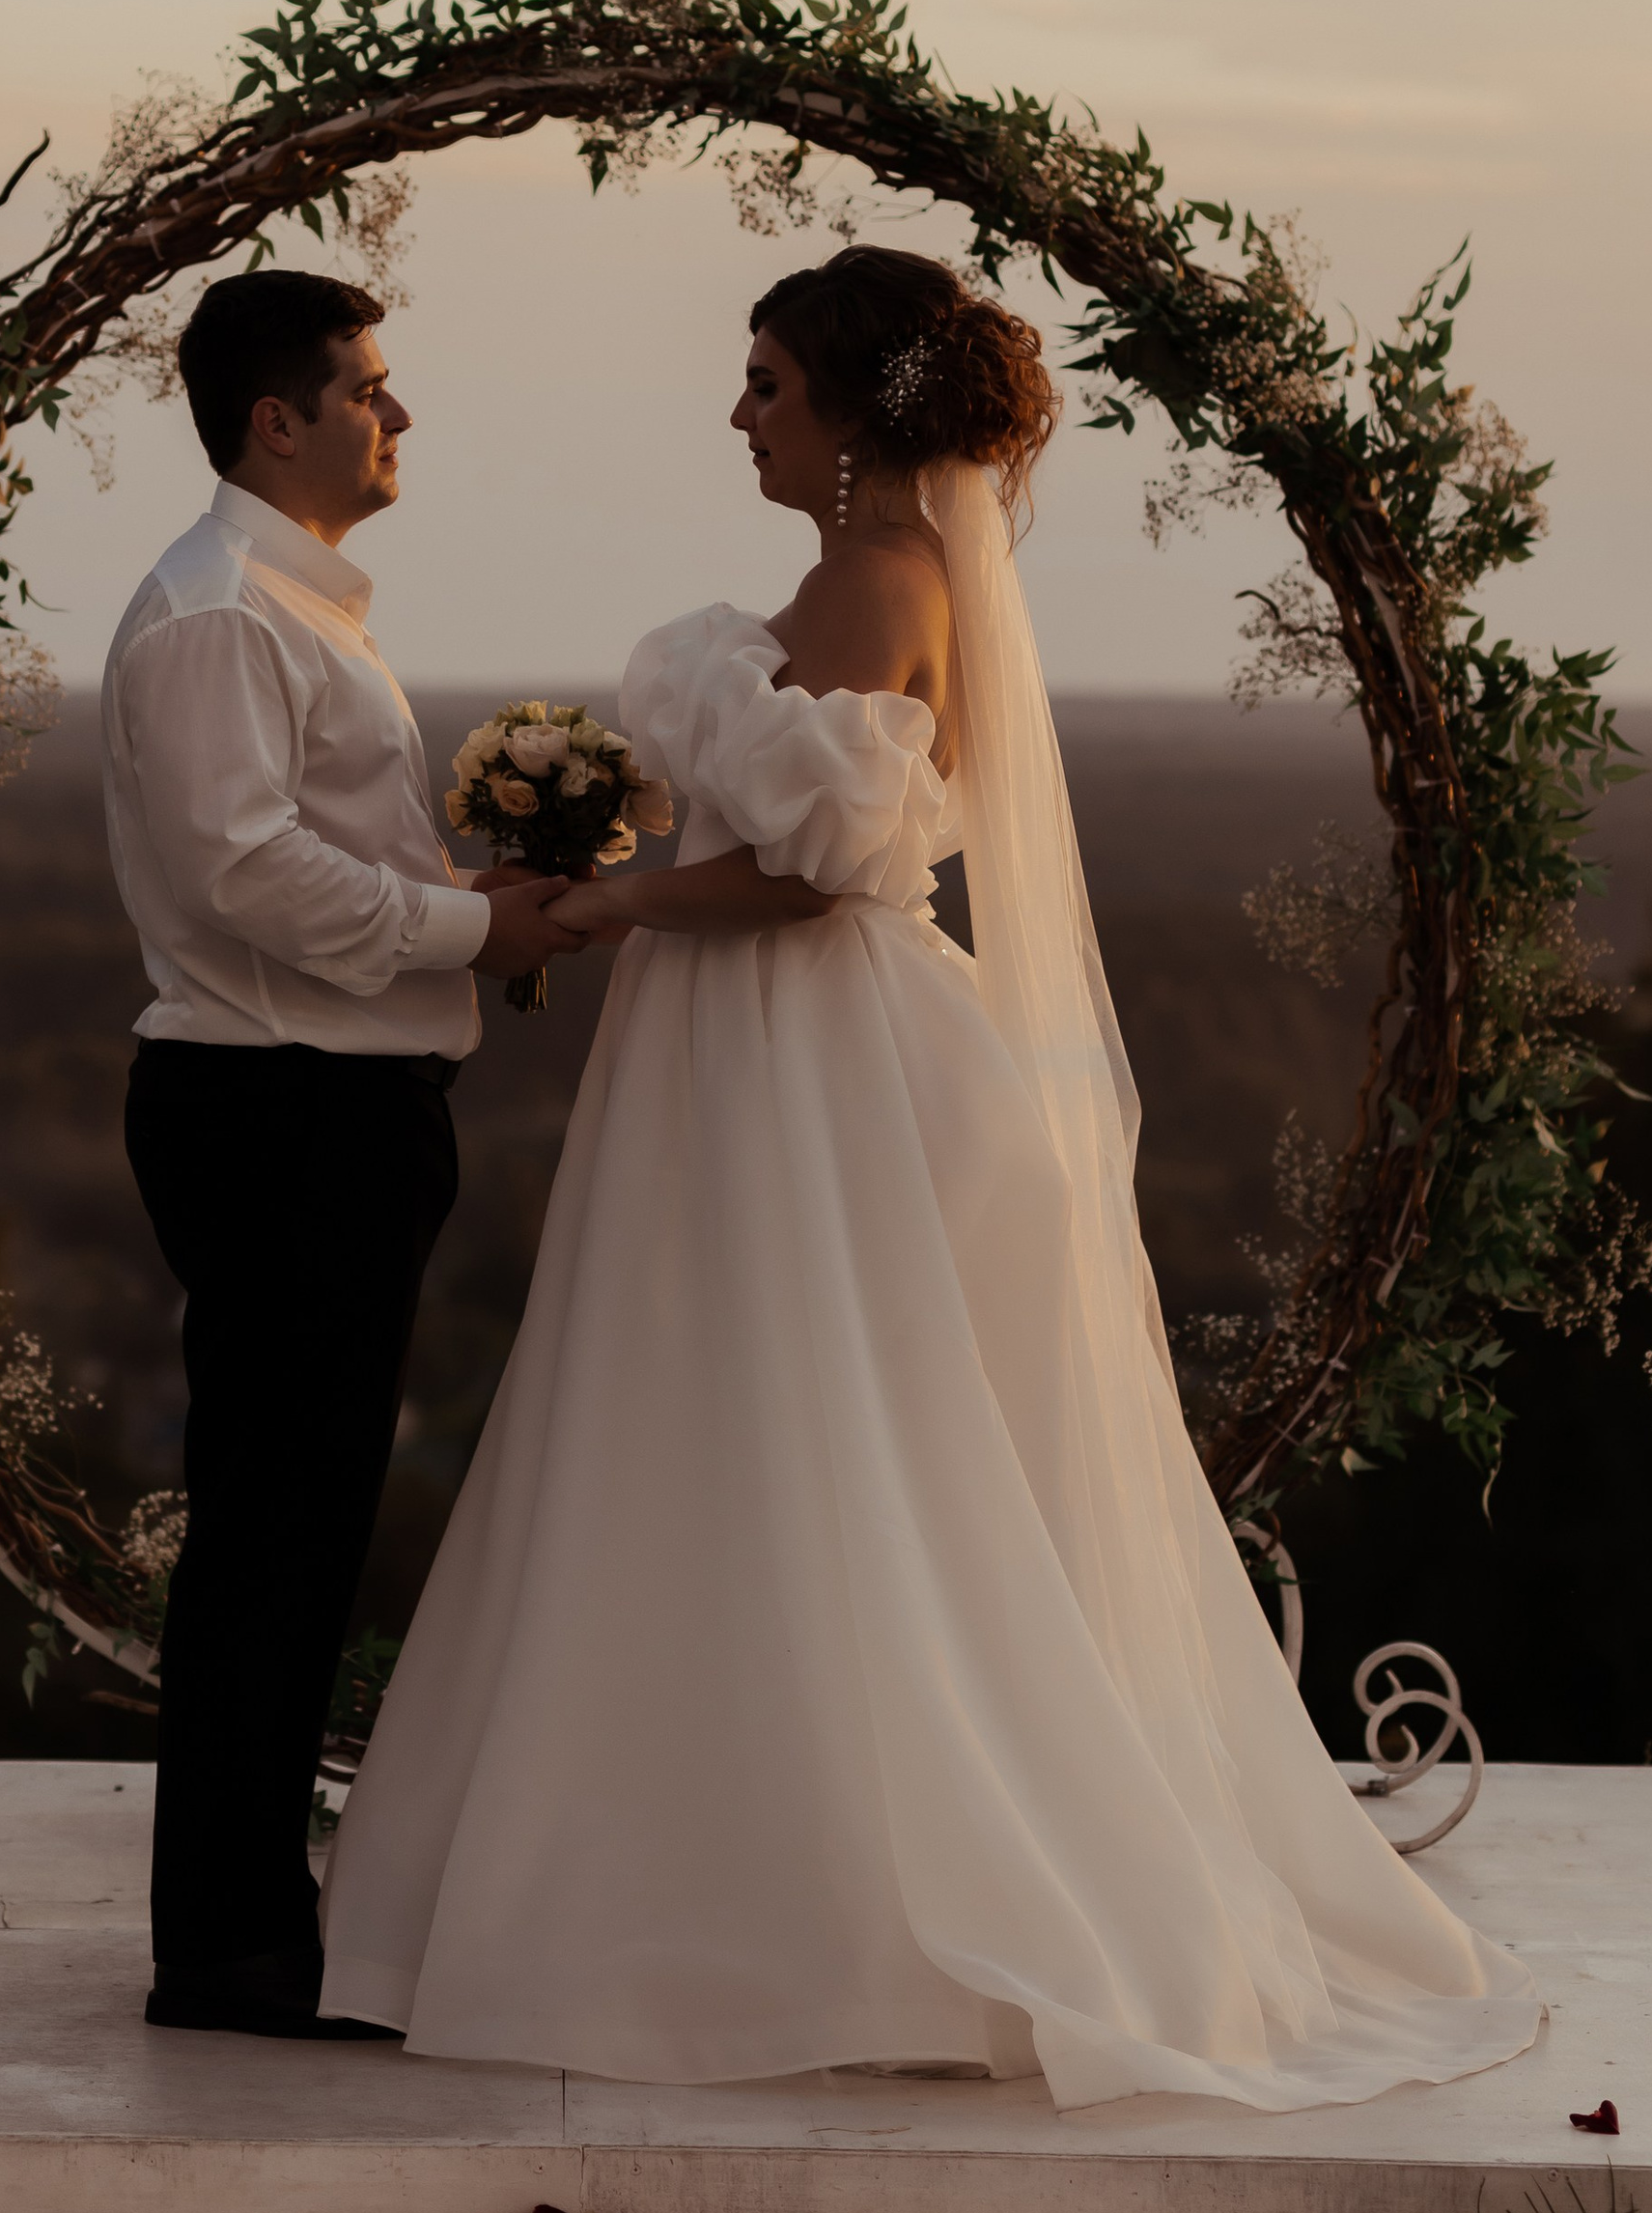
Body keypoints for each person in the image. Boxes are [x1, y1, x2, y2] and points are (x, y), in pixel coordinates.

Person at [317, 242, 1543, 2109]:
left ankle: (775, 1901)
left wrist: (607, 899)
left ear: (855, 408)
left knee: (766, 1415)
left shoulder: (874, 580)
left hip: (790, 1052)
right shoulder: (888, 575)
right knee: (782, 1421)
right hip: (781, 1044)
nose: (738, 414)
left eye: (766, 384)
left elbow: (810, 873)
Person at [101, 266, 582, 2041]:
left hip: (326, 1102)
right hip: (282, 1110)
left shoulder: (285, 601)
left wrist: (466, 905)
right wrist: (468, 933)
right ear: (274, 419)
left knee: (299, 1523)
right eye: (369, 387)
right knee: (274, 1530)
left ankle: (251, 1926)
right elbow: (242, 869)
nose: (399, 414)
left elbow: (303, 850)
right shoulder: (220, 614)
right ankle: (230, 1951)